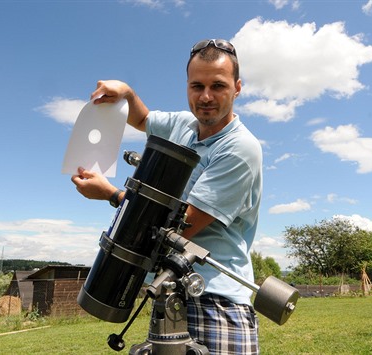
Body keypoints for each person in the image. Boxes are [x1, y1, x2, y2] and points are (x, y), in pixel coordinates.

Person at [72, 39, 263, 354]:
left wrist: (110, 194)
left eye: (218, 86)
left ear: (237, 88)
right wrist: (127, 94)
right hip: (169, 293)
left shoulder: (240, 149)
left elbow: (174, 231)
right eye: (196, 86)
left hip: (215, 302)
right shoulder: (183, 126)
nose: (205, 97)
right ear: (187, 87)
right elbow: (142, 120)